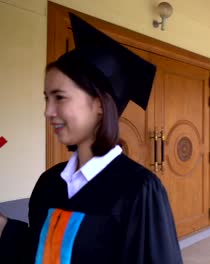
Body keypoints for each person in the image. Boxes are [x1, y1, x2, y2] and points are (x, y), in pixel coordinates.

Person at [0, 13, 182, 264]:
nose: (48, 111)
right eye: (46, 98)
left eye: (60, 97)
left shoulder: (138, 191)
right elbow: (44, 251)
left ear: (98, 104)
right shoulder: (49, 183)